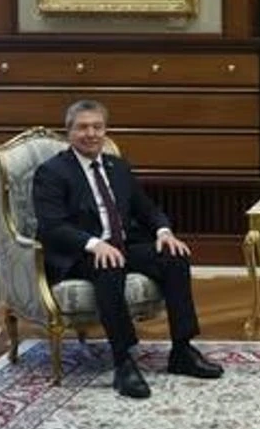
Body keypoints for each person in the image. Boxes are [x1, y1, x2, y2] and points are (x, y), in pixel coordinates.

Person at [33, 100, 223, 399]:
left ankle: (182, 350)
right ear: (69, 132)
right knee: (109, 265)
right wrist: (95, 244)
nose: (91, 134)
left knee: (174, 257)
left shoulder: (117, 167)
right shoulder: (52, 172)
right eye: (83, 127)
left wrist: (164, 232)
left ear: (105, 130)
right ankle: (123, 361)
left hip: (123, 245)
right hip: (80, 253)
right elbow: (52, 226)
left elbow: (146, 208)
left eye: (97, 127)